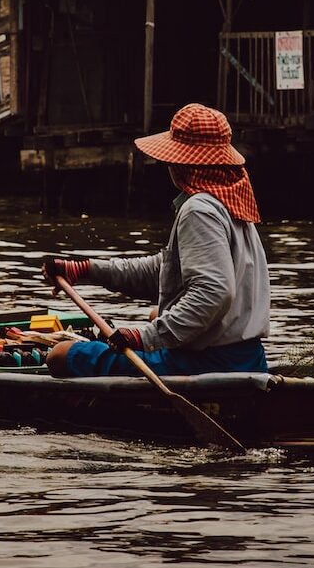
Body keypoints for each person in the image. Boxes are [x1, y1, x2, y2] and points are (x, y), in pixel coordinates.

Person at [42, 103, 270, 378]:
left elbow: (213, 293)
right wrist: (85, 270)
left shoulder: (199, 210)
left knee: (60, 355)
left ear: (181, 163)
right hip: (249, 358)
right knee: (154, 315)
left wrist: (145, 337)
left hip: (206, 363)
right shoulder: (231, 205)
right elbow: (165, 272)